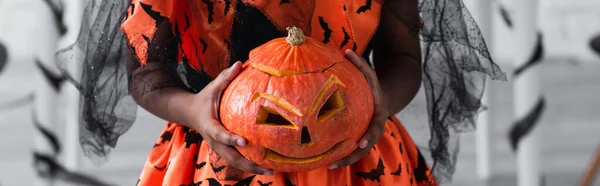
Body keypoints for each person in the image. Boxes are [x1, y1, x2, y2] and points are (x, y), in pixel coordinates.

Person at [57, 0, 506, 185]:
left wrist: (381, 101)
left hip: (356, 154)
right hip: (219, 154)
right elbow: (146, 75)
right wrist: (195, 109)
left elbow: (404, 59)